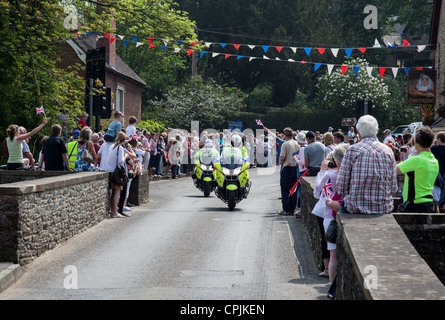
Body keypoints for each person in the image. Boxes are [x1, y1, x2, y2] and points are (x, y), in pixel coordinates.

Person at [337, 115, 398, 214]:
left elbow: (342, 186)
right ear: (377, 131)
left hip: (355, 207)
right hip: (383, 208)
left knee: (335, 223)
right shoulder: (388, 151)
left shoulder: (352, 150)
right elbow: (393, 188)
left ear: (358, 132)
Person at [318, 144, 349, 291]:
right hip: (348, 214)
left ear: (336, 160)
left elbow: (319, 192)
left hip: (330, 214)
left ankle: (332, 289)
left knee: (333, 254)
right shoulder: (350, 174)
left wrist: (322, 172)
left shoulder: (330, 175)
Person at [395, 127, 438, 213]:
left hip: (414, 203)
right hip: (428, 203)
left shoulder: (416, 160)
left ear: (415, 142)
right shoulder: (434, 160)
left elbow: (394, 170)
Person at [105, 132, 131, 218]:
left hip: (109, 170)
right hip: (116, 172)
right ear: (123, 141)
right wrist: (126, 156)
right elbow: (120, 161)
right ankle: (115, 212)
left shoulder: (112, 147)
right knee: (116, 192)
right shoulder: (119, 148)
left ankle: (113, 211)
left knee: (113, 192)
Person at [278, 127, 300, 215]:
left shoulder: (285, 144)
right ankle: (292, 209)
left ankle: (285, 209)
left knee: (285, 190)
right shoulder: (297, 144)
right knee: (293, 190)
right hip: (295, 168)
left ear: (285, 135)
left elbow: (282, 157)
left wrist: (280, 161)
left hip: (287, 168)